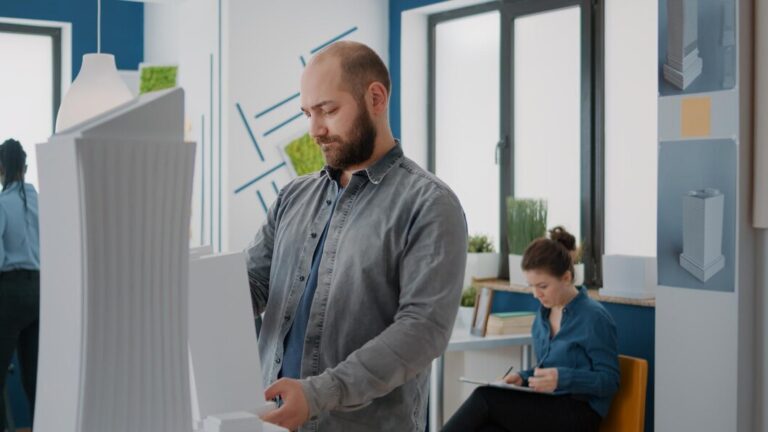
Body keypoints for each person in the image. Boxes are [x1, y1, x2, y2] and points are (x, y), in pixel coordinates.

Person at [245, 41, 468, 431]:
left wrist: (318, 394)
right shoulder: (292, 197)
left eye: (328, 110)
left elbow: (422, 331)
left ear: (376, 98)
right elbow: (252, 286)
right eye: (308, 114)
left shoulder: (430, 205)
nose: (314, 129)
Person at [442, 226, 619, 432]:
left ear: (566, 278)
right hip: (547, 406)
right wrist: (523, 377)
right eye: (531, 286)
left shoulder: (594, 317)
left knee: (485, 398)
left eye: (543, 286)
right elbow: (545, 370)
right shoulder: (542, 317)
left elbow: (610, 381)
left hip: (579, 414)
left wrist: (563, 378)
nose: (536, 294)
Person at [0, 139, 40, 429]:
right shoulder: (38, 200)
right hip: (39, 292)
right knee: (35, 379)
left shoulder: (3, 204)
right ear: (24, 169)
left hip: (10, 293)